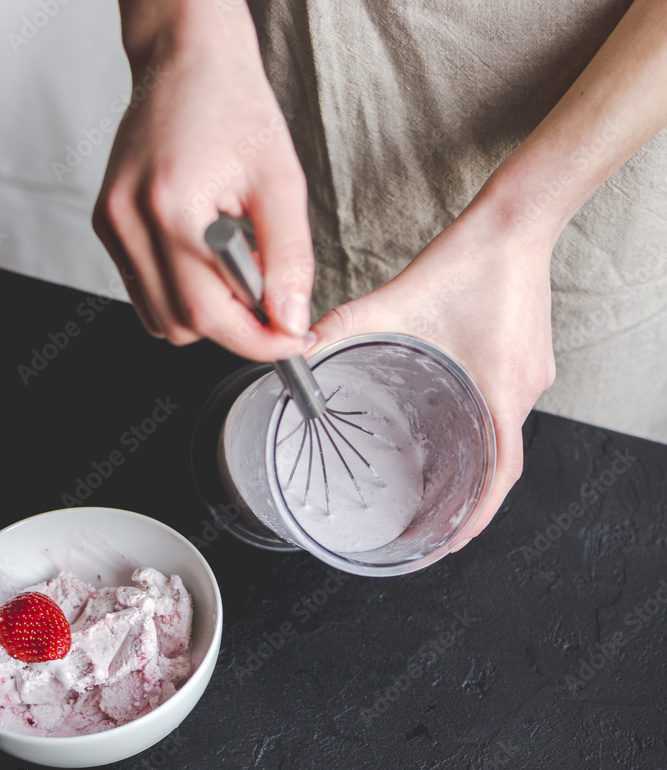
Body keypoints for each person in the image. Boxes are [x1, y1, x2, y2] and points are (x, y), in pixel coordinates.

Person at [93, 0, 667, 549]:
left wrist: (523, 221)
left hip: (596, 140)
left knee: (574, 488)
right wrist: (183, 37)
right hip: (291, 102)